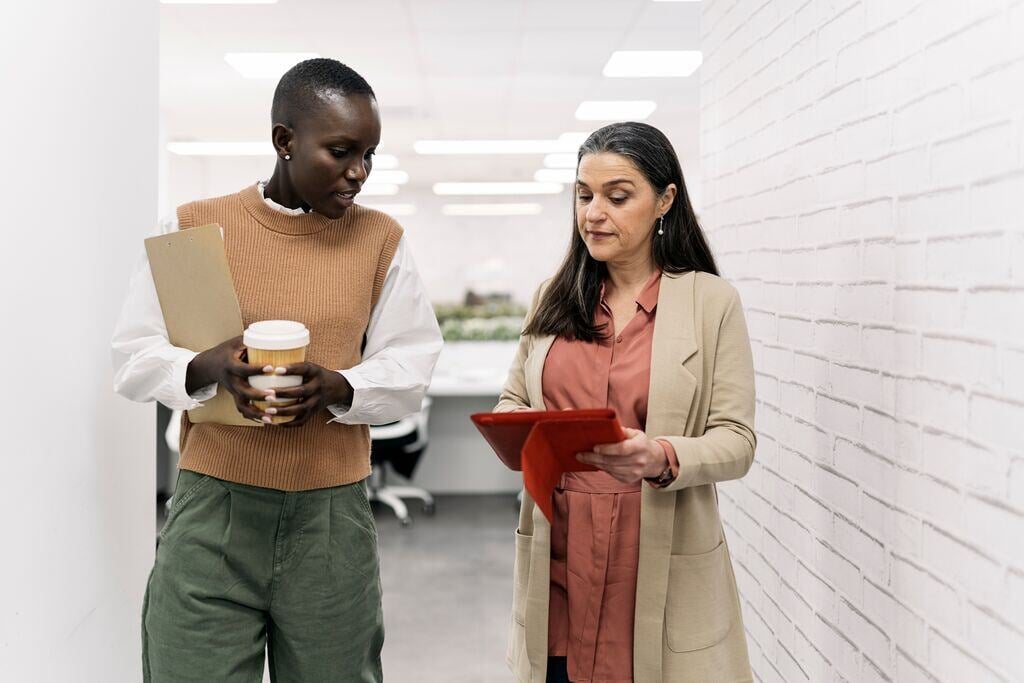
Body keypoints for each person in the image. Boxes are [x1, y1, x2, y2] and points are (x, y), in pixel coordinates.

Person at [112, 58, 443, 681]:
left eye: (369, 154)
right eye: (341, 151)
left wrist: (340, 386)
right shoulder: (193, 227)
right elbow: (132, 356)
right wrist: (208, 367)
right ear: (283, 141)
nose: (358, 173)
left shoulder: (381, 240)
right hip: (213, 511)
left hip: (331, 518)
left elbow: (412, 361)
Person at [495, 122, 756, 682]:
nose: (593, 213)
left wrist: (660, 455)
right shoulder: (553, 296)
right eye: (583, 196)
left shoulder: (711, 303)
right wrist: (522, 429)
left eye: (617, 197)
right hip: (559, 549)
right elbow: (515, 398)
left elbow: (737, 440)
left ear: (664, 201)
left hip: (655, 547)